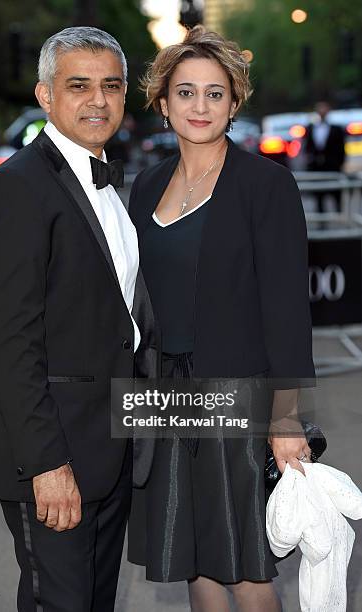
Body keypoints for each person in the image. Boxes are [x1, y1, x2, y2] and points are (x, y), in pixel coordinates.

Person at [0, 26, 158, 612]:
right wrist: (47, 464)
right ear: (45, 95)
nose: (98, 100)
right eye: (79, 86)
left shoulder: (114, 186)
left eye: (111, 86)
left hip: (114, 447)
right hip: (54, 456)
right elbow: (10, 344)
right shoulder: (18, 189)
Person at [127, 26, 315, 612]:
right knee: (191, 556)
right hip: (162, 394)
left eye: (215, 92)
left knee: (245, 568)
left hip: (237, 392)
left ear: (235, 102)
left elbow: (288, 309)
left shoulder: (266, 185)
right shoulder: (146, 186)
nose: (200, 106)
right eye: (186, 92)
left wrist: (286, 420)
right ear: (162, 102)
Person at [305, 101, 346, 214]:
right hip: (317, 166)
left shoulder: (336, 129)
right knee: (319, 195)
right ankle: (321, 219)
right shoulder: (310, 128)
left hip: (332, 166)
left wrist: (340, 163)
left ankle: (339, 216)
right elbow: (308, 147)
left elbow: (342, 148)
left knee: (336, 193)